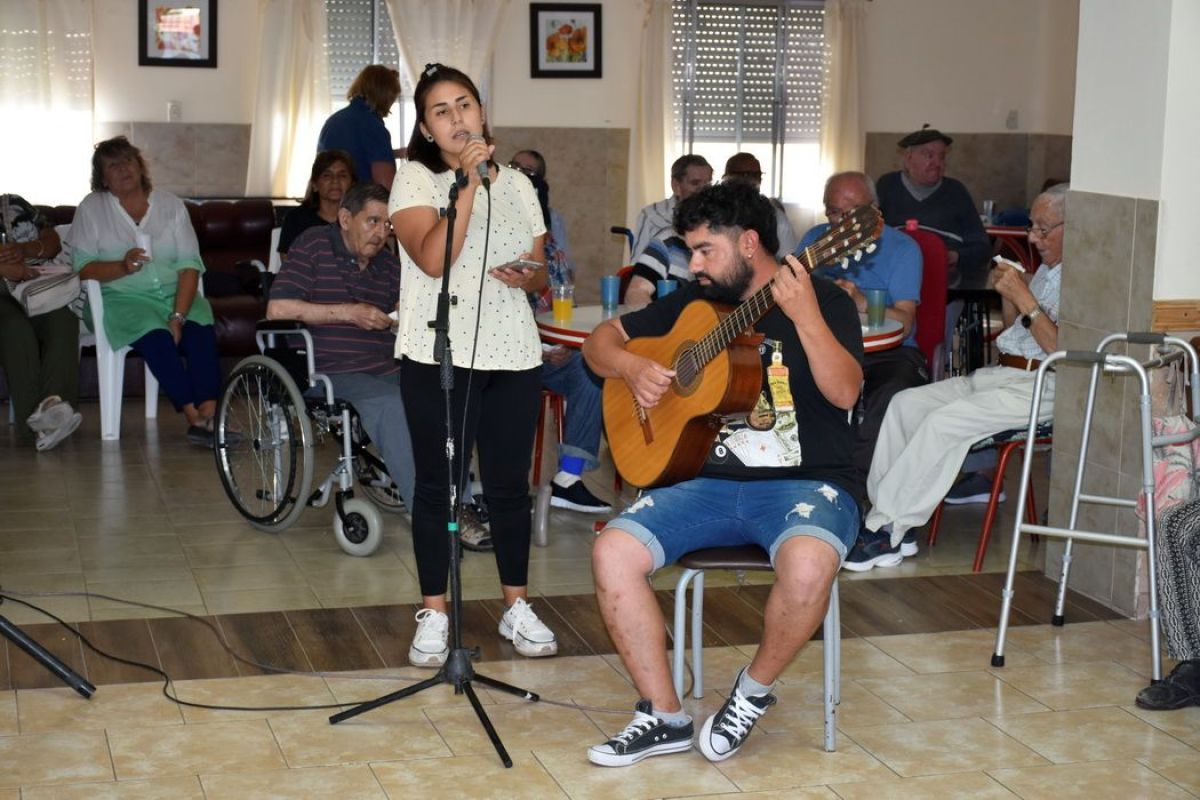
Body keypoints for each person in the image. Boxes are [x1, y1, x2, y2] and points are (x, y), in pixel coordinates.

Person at [582, 182, 863, 766]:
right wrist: (633, 366)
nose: (696, 265)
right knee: (613, 551)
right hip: (705, 483)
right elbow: (598, 343)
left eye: (707, 250)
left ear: (751, 243)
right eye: (691, 251)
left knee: (810, 565)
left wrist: (805, 316)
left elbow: (845, 393)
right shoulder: (692, 304)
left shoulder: (826, 299)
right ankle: (663, 715)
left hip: (808, 483)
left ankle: (751, 693)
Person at [389, 63, 558, 667]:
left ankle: (517, 605)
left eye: (465, 104)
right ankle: (435, 613)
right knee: (440, 487)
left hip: (513, 351)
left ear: (483, 113)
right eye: (442, 110)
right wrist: (463, 186)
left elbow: (539, 274)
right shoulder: (413, 179)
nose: (458, 117)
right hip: (440, 353)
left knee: (510, 487)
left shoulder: (517, 183)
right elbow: (433, 261)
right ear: (428, 130)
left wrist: (530, 275)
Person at [848, 184, 1067, 571]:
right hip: (1005, 374)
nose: (1033, 237)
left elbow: (1062, 352)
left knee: (942, 423)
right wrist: (1010, 292)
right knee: (905, 404)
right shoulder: (1049, 271)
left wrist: (1026, 298)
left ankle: (885, 529)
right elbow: (1018, 329)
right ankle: (889, 520)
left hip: (1043, 385)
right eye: (1033, 227)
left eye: (1043, 229)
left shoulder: (1086, 279)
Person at [266, 182, 416, 514]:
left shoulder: (388, 265)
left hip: (385, 365)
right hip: (327, 369)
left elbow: (407, 314)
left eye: (388, 225)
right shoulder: (314, 245)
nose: (381, 233)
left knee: (437, 394)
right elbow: (277, 309)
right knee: (392, 403)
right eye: (373, 221)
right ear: (346, 218)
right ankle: (430, 511)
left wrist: (399, 319)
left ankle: (460, 500)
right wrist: (350, 313)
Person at [71, 136, 222, 447]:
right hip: (121, 298)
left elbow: (190, 265)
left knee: (200, 328)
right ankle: (194, 416)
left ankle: (211, 411)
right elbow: (83, 267)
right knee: (155, 335)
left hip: (176, 293)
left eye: (127, 160)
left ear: (140, 166)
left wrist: (179, 315)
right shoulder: (92, 208)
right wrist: (122, 266)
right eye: (112, 166)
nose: (123, 168)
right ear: (103, 179)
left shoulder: (170, 205)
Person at [797, 172, 927, 479]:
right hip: (824, 346)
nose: (841, 221)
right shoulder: (814, 240)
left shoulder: (903, 249)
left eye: (852, 212)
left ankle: (861, 485)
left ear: (874, 211)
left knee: (890, 397)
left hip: (889, 353)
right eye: (833, 211)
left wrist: (862, 303)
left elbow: (907, 324)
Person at [509, 149, 610, 514]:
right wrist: (536, 346)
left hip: (548, 353)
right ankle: (504, 484)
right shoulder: (489, 242)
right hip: (501, 355)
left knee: (593, 368)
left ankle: (568, 478)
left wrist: (558, 342)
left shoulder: (551, 247)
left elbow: (562, 300)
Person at [0, 193, 82, 450]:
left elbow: (52, 241)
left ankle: (53, 409)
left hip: (31, 287)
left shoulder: (11, 204)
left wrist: (24, 250)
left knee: (64, 320)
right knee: (15, 330)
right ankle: (34, 425)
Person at [875, 126, 990, 275]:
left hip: (945, 280)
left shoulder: (956, 191)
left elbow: (982, 247)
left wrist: (955, 256)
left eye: (941, 157)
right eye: (929, 155)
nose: (937, 163)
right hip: (894, 275)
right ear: (908, 159)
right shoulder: (887, 186)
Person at [317, 65, 401, 188]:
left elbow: (354, 155)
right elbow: (385, 187)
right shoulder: (373, 127)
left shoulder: (333, 121)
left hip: (328, 203)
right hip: (359, 204)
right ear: (385, 96)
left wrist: (395, 153)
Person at [629, 154, 712, 261]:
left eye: (708, 183)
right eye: (695, 183)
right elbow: (637, 264)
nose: (704, 190)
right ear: (676, 186)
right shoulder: (651, 216)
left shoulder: (716, 216)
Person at [277, 150, 356, 256]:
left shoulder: (360, 219)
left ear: (352, 184)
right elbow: (289, 263)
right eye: (327, 175)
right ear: (314, 185)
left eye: (342, 175)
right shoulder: (296, 219)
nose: (335, 180)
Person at [722, 152, 798, 258]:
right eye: (744, 175)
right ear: (725, 178)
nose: (751, 180)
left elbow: (788, 261)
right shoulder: (711, 214)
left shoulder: (776, 218)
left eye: (756, 175)